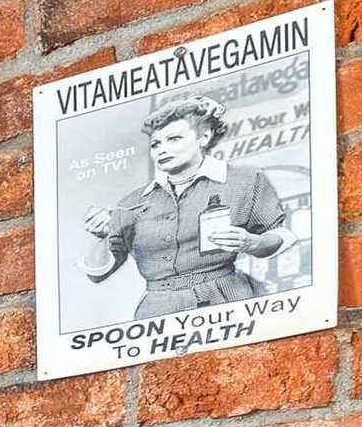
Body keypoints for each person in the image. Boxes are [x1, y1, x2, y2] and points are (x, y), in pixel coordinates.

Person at [79, 94, 290, 321]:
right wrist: (99, 238)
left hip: (229, 299)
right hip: (158, 312)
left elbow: (278, 235)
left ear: (204, 137)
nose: (161, 150)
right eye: (156, 144)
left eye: (174, 139)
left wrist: (253, 242)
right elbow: (98, 274)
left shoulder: (245, 181)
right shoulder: (132, 203)